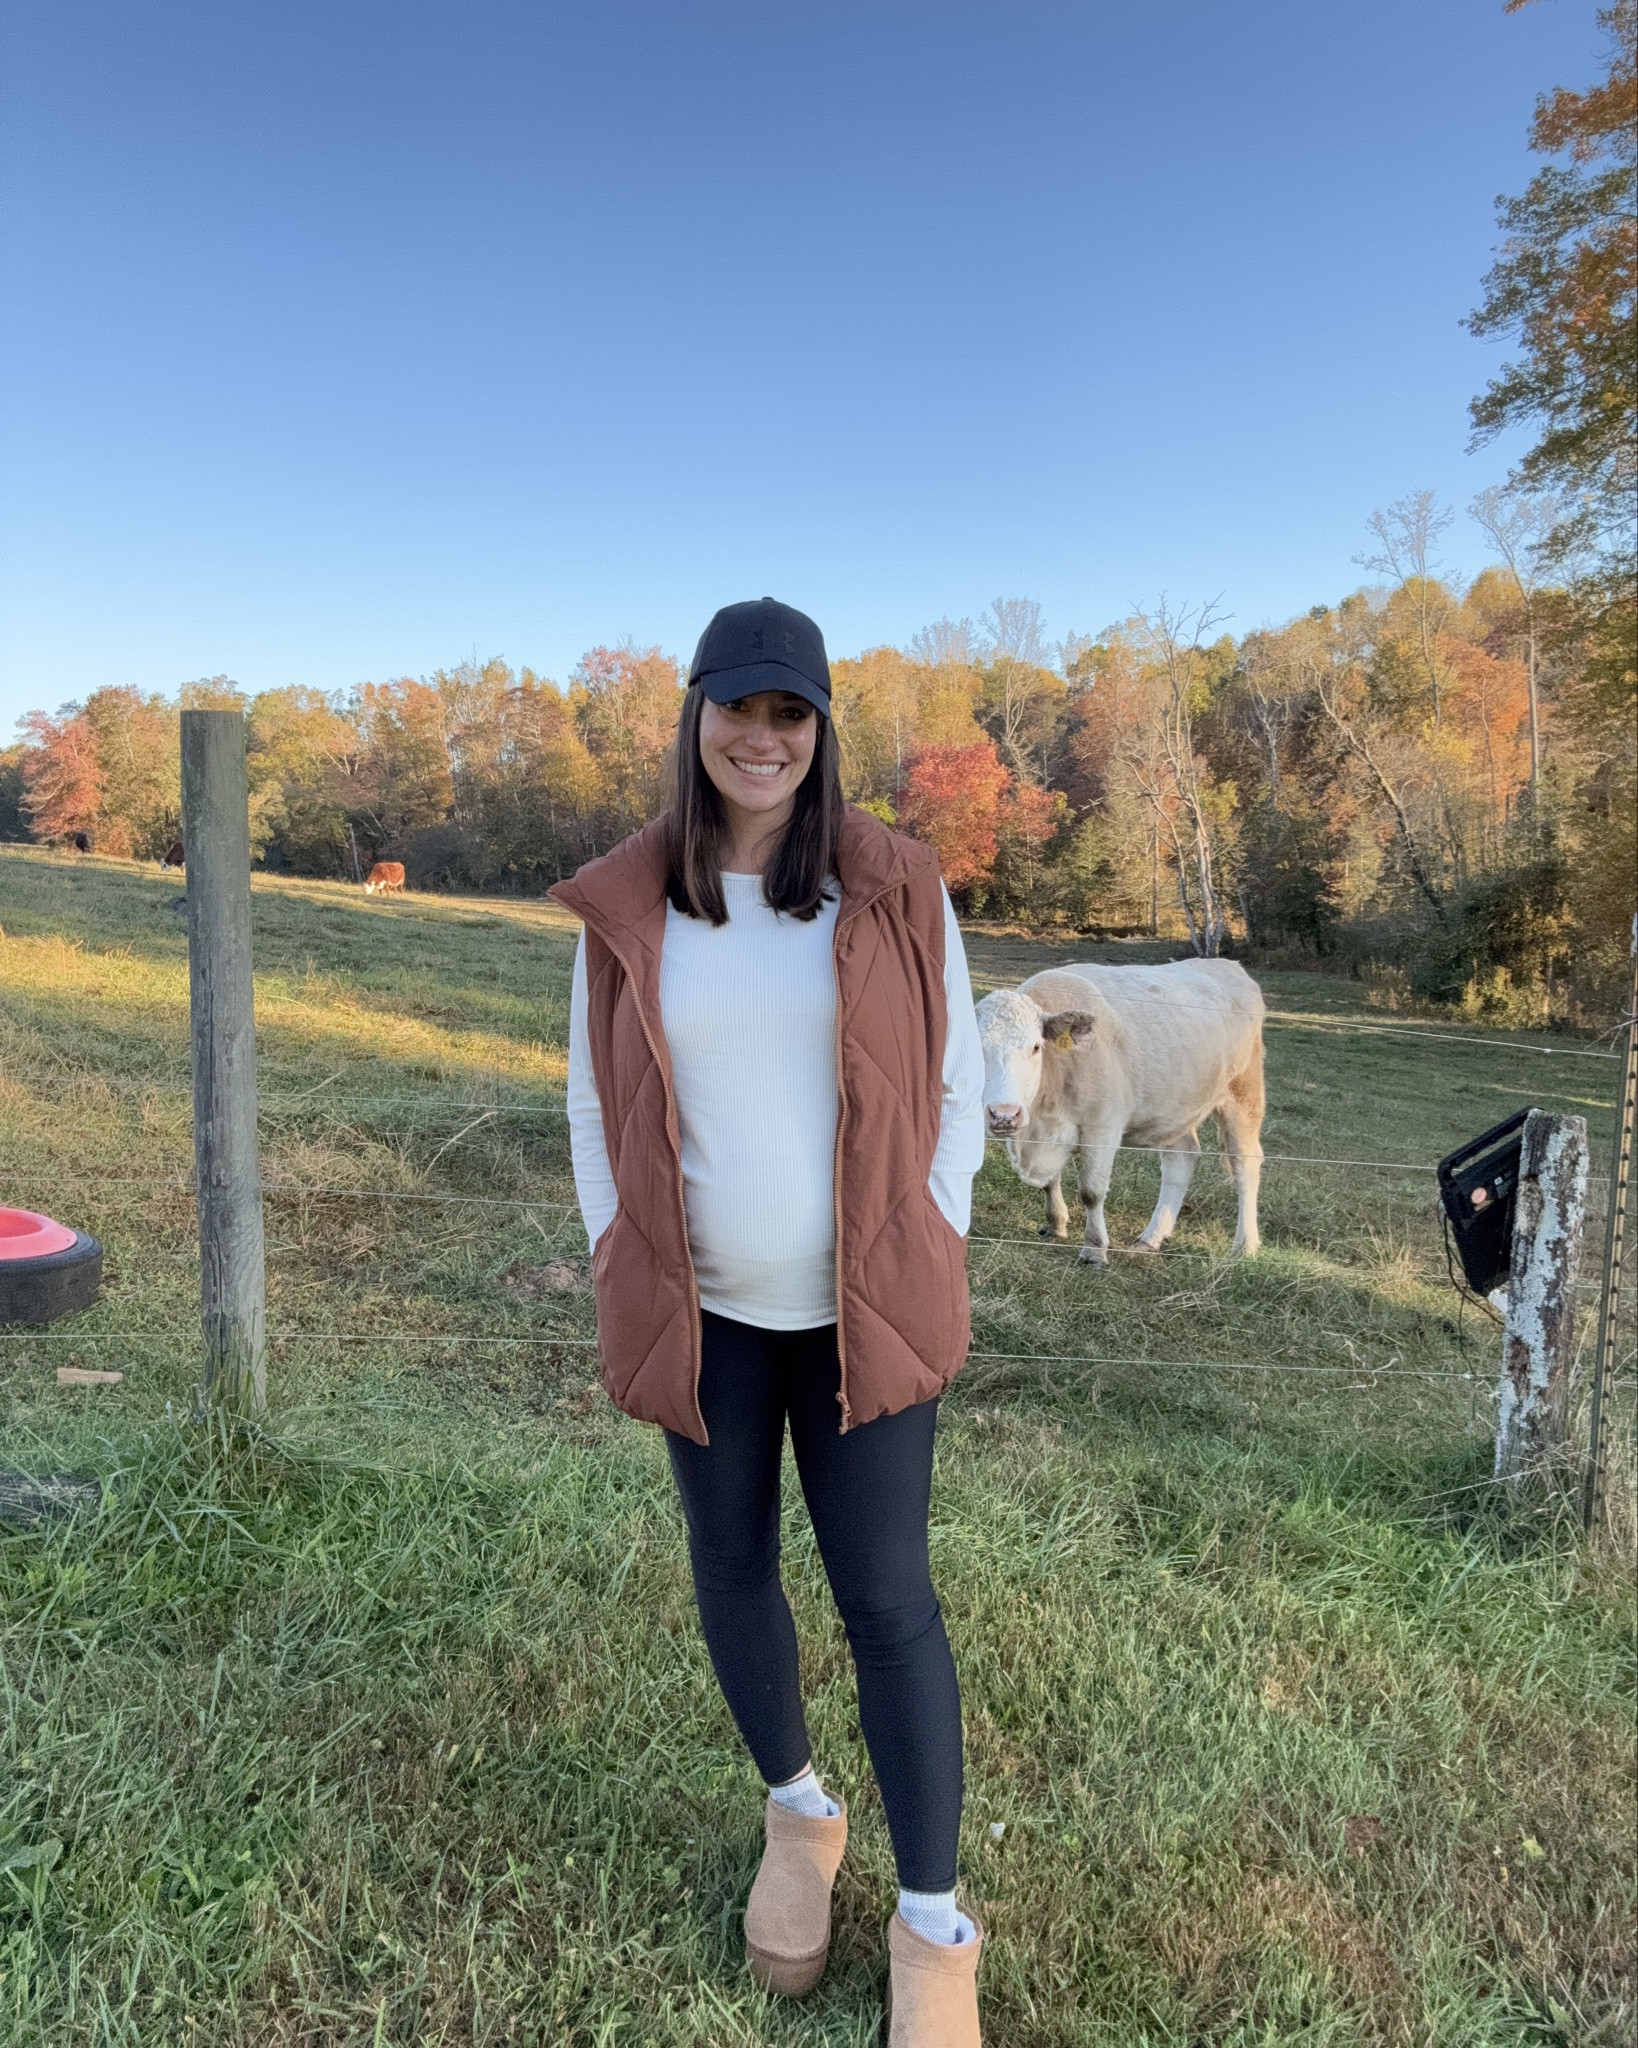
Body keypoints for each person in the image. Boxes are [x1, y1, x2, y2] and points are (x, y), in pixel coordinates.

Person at [551, 597, 988, 2044]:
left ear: (820, 729)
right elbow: (591, 1101)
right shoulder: (630, 901)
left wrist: (931, 1233)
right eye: (735, 707)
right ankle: (799, 1817)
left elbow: (956, 1089)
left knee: (887, 1601)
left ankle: (932, 1930)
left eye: (787, 712)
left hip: (864, 1317)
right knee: (731, 1567)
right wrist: (615, 1248)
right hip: (708, 1316)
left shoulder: (894, 885)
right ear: (695, 716)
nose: (760, 736)